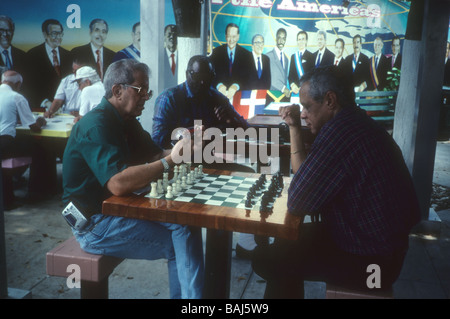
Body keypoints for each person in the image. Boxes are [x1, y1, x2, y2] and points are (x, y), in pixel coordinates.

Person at [251, 66, 421, 298]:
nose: (302, 114)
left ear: (330, 100)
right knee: (284, 245)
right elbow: (305, 182)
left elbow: (298, 201)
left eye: (307, 107)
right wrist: (294, 128)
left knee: (268, 259)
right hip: (384, 251)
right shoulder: (354, 121)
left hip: (375, 266)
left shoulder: (339, 133)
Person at [62, 59, 204, 299]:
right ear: (118, 91)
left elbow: (157, 154)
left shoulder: (126, 121)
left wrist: (186, 148)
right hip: (93, 224)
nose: (146, 97)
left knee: (186, 226)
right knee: (180, 237)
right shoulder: (95, 125)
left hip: (115, 209)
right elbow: (118, 183)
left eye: (148, 91)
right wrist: (171, 161)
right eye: (141, 90)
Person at [152, 55, 249, 149]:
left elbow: (247, 131)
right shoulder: (168, 99)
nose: (202, 82)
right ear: (187, 74)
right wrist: (191, 133)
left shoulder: (218, 98)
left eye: (208, 77)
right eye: (198, 76)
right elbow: (158, 142)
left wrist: (231, 120)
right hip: (177, 160)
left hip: (209, 158)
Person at [0, 70, 46, 208]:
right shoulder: (16, 97)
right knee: (40, 149)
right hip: (5, 142)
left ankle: (14, 185)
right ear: (18, 84)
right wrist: (41, 121)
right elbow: (34, 128)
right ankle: (36, 191)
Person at [25, 19, 72, 109]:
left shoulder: (69, 55)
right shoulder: (32, 55)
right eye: (54, 33)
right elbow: (29, 85)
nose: (58, 37)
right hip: (41, 108)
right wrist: (45, 102)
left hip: (65, 108)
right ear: (45, 34)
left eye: (60, 33)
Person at [209, 23, 252, 100]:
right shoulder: (215, 53)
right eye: (229, 36)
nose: (231, 40)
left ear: (238, 37)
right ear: (225, 36)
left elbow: (249, 78)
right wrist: (219, 85)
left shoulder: (247, 55)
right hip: (218, 98)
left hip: (239, 100)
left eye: (234, 36)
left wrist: (236, 86)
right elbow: (210, 75)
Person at [288, 31, 314, 95]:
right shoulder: (293, 56)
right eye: (299, 39)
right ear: (297, 41)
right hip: (295, 92)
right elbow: (290, 76)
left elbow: (313, 75)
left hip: (307, 91)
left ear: (306, 41)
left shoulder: (312, 56)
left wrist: (306, 86)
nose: (301, 42)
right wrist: (293, 85)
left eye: (303, 39)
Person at [267, 28, 290, 98]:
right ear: (276, 38)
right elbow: (268, 78)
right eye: (279, 38)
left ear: (285, 40)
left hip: (282, 97)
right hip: (271, 95)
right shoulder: (268, 56)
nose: (281, 41)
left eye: (283, 38)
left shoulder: (286, 59)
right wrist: (283, 88)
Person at [164, 24, 178, 88]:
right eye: (169, 34)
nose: (172, 37)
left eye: (175, 34)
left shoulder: (183, 56)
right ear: (164, 37)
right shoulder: (158, 57)